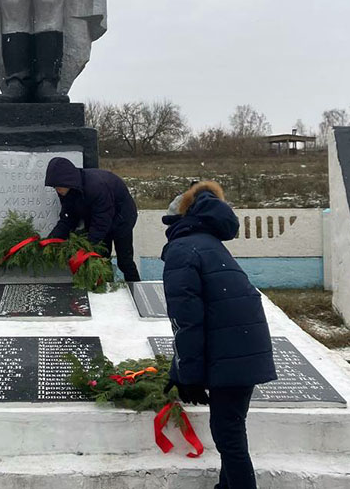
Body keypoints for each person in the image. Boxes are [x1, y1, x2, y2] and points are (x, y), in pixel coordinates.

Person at [161, 181, 277, 489]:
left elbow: (187, 320)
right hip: (242, 345)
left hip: (230, 352)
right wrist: (179, 370)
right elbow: (211, 309)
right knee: (230, 427)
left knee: (228, 435)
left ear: (179, 221)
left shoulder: (182, 250)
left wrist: (189, 374)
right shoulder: (209, 243)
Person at [43, 156, 140, 282]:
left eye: (58, 186)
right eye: (54, 187)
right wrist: (52, 241)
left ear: (67, 181)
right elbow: (68, 219)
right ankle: (107, 288)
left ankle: (135, 288)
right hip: (97, 218)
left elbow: (101, 222)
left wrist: (86, 247)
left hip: (122, 218)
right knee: (102, 258)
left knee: (124, 261)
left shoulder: (96, 186)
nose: (57, 190)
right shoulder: (66, 190)